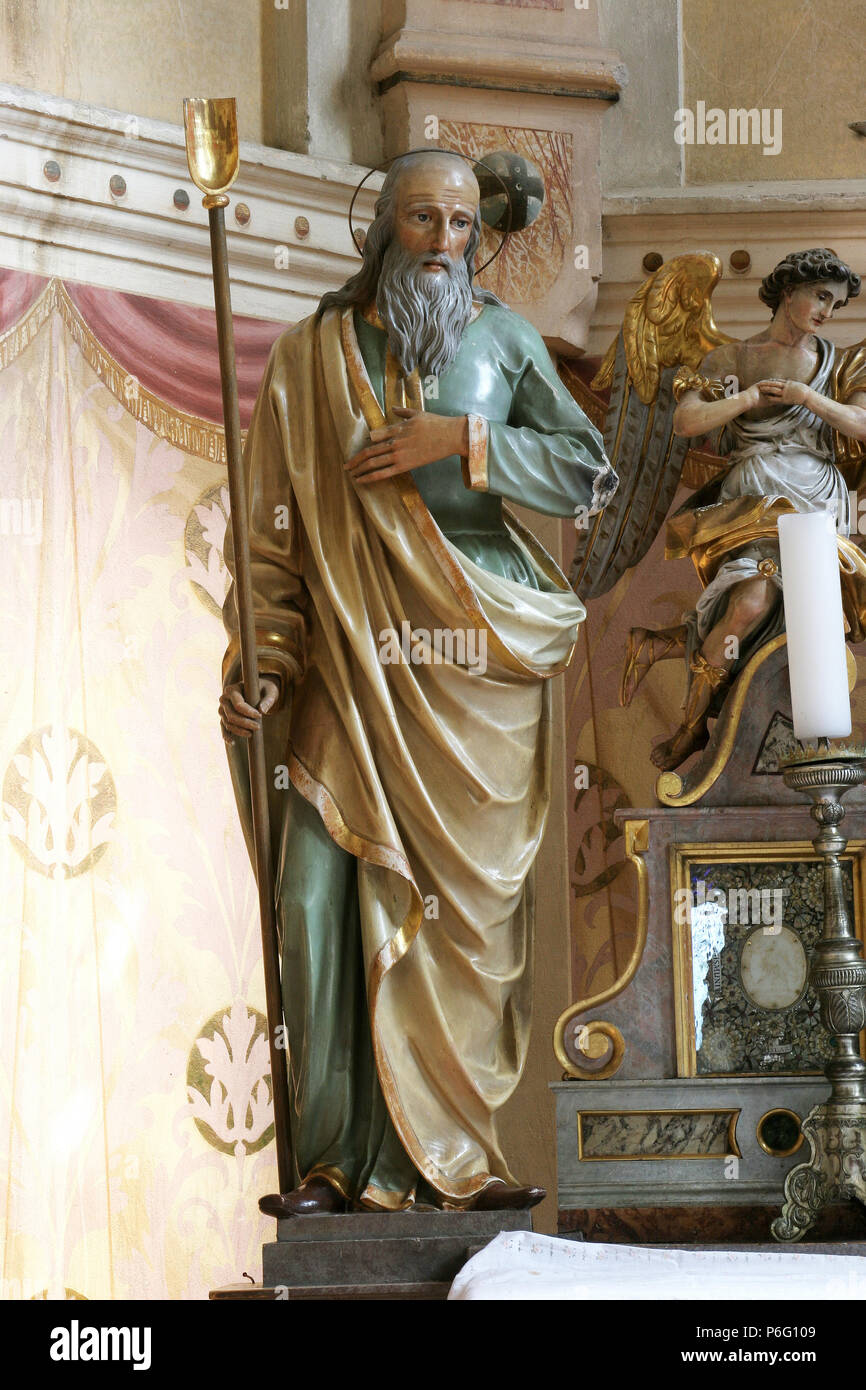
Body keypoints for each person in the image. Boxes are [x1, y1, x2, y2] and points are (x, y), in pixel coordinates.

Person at [218, 150, 617, 1215]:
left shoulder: (503, 338)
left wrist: (467, 441)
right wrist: (262, 658)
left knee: (455, 924)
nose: (441, 241)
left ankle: (453, 1158)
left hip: (471, 659)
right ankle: (330, 1160)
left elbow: (587, 469)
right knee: (312, 901)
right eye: (419, 219)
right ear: (379, 230)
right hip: (348, 664)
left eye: (455, 222)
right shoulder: (312, 357)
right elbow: (270, 534)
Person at [621, 248, 866, 771]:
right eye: (821, 296)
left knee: (808, 626)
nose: (826, 311)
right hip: (751, 500)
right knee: (751, 604)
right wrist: (747, 399)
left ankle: (670, 650)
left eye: (836, 304)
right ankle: (692, 727)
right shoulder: (726, 360)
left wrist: (808, 397)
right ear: (788, 291)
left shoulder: (843, 362)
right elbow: (688, 423)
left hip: (816, 502)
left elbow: (862, 425)